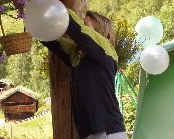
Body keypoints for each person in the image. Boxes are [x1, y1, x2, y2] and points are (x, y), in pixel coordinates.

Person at [41, 9, 127, 139]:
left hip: (109, 131)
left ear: (98, 30)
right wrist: (36, 19)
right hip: (89, 133)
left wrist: (56, 6)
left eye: (86, 24)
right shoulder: (77, 55)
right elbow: (51, 39)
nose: (83, 26)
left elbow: (79, 31)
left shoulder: (106, 48)